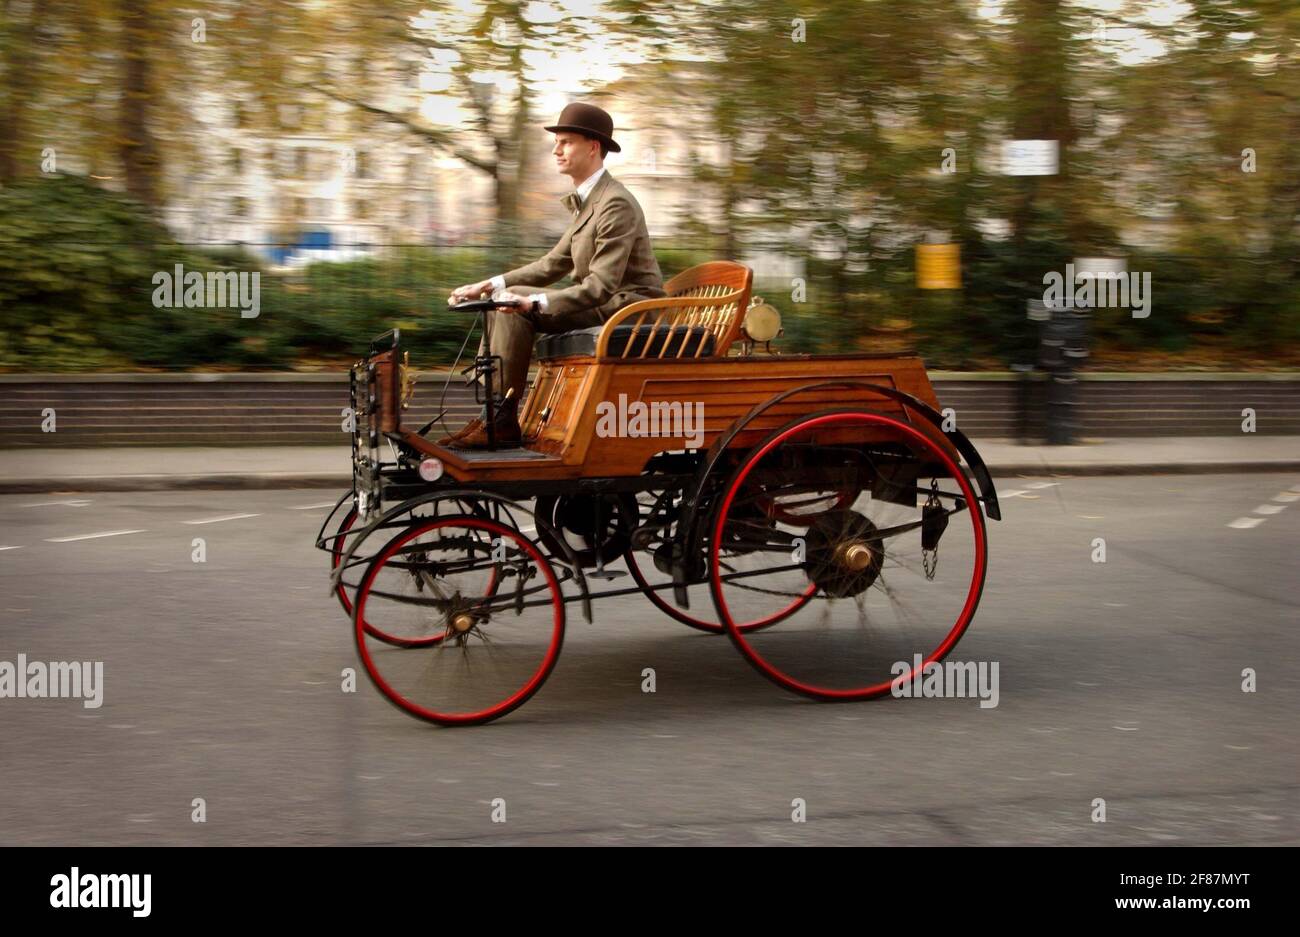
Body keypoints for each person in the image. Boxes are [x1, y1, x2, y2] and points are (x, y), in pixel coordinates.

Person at [443, 102, 666, 448]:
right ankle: (494, 415)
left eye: (566, 142)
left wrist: (531, 302)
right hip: (609, 303)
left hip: (628, 310)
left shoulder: (614, 203)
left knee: (515, 307)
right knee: (504, 297)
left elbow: (602, 285)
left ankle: (501, 420)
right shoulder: (592, 200)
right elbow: (552, 263)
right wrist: (487, 286)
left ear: (593, 147)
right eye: (557, 142)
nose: (556, 149)